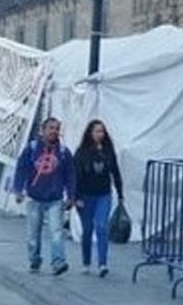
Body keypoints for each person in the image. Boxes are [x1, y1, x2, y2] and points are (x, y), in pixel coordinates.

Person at [11, 117, 75, 275]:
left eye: (57, 128)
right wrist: (18, 189)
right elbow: (21, 169)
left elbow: (70, 175)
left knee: (56, 232)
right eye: (51, 128)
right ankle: (34, 260)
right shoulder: (32, 148)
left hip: (55, 199)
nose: (54, 131)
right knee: (33, 234)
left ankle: (58, 262)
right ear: (43, 130)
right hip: (35, 198)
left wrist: (71, 195)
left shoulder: (64, 152)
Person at [72, 118, 124, 277]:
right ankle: (86, 262)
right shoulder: (81, 152)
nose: (100, 134)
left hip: (103, 194)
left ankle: (102, 263)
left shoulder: (108, 150)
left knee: (101, 226)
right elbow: (75, 175)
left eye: (102, 131)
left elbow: (115, 171)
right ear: (90, 133)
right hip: (85, 196)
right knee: (87, 229)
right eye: (97, 131)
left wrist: (120, 193)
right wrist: (76, 196)